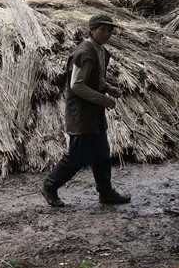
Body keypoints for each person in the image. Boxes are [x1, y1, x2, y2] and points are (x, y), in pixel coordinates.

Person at [41, 13, 131, 207]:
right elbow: (77, 85)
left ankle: (106, 192)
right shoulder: (85, 52)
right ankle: (49, 186)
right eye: (102, 30)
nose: (107, 34)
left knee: (101, 152)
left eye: (110, 30)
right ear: (92, 30)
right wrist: (102, 99)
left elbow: (95, 78)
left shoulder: (100, 50)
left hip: (94, 111)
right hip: (81, 112)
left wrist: (107, 87)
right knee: (77, 155)